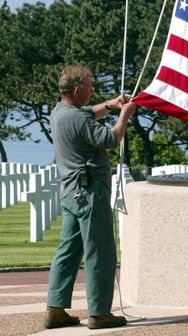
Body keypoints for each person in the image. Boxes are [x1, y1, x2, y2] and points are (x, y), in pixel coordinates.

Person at [44, 65, 136, 330]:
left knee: (69, 250)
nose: (92, 89)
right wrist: (125, 115)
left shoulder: (59, 113)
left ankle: (55, 308)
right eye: (88, 85)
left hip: (71, 193)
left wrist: (111, 104)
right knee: (100, 250)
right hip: (90, 191)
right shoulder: (78, 119)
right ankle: (99, 313)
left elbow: (88, 112)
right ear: (76, 90)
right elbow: (110, 138)